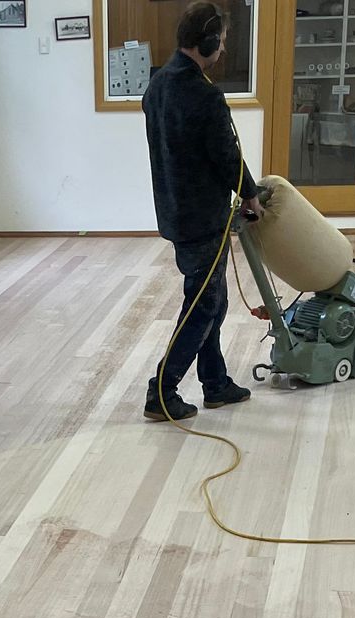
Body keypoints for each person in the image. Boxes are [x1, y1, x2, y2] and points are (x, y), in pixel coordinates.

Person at [142, 1, 263, 423]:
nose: (224, 50)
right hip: (202, 218)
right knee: (204, 304)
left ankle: (216, 383)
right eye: (222, 41)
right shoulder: (205, 95)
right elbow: (227, 156)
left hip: (174, 213)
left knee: (212, 298)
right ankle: (161, 391)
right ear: (208, 41)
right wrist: (250, 195)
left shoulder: (157, 85)